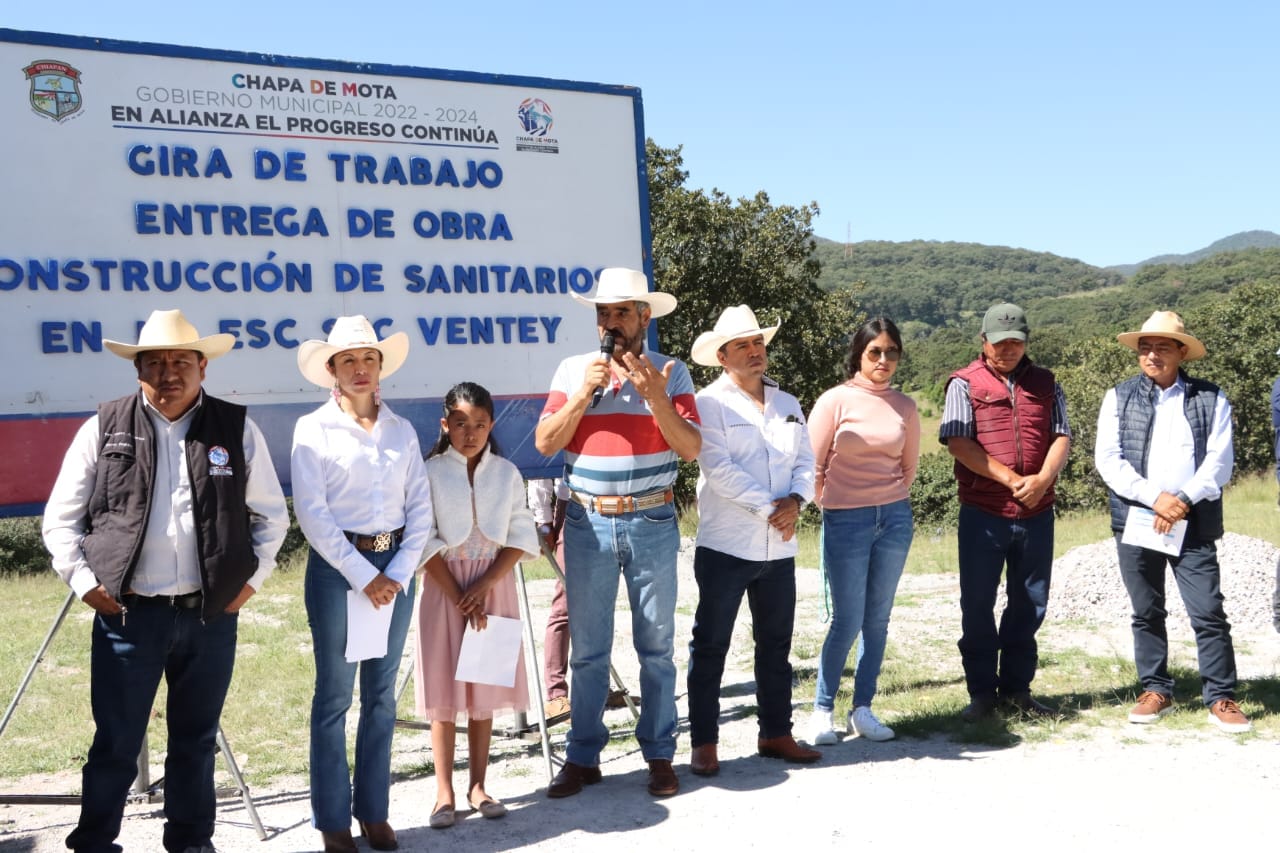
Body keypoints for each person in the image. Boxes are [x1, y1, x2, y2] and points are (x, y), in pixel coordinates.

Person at [42, 308, 289, 853]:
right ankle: (94, 843)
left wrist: (250, 585)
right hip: (128, 616)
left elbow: (271, 517)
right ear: (138, 371)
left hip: (209, 616)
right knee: (115, 742)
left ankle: (191, 842)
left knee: (195, 742)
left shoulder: (235, 429)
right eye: (155, 362)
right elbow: (61, 520)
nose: (169, 372)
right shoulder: (104, 427)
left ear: (204, 366)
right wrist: (85, 584)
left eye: (182, 361)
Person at [534, 267, 700, 799]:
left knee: (656, 646)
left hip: (652, 520)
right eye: (604, 313)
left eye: (622, 312)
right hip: (586, 522)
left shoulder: (671, 373)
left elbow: (691, 448)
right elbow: (544, 443)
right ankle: (583, 757)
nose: (611, 323)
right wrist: (584, 393)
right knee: (588, 649)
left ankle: (659, 753)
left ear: (644, 318)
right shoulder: (572, 369)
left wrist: (654, 395)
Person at [290, 316, 433, 853]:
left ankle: (374, 811)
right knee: (333, 697)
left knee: (381, 697)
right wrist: (363, 575)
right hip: (338, 570)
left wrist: (395, 574)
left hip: (394, 570)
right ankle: (332, 820)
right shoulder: (313, 429)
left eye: (368, 359)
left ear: (380, 368)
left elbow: (419, 505)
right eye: (348, 360)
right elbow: (313, 513)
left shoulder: (401, 431)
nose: (359, 369)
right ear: (331, 369)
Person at [1094, 310, 1251, 733]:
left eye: (1162, 346)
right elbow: (1108, 461)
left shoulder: (1211, 397)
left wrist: (1181, 499)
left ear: (1182, 352)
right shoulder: (1118, 396)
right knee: (1146, 610)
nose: (1151, 354)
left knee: (1208, 611)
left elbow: (1220, 462)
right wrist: (1155, 499)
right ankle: (1156, 690)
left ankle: (1221, 696)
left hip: (1193, 520)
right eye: (1145, 346)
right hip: (1137, 518)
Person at [684, 305, 819, 776]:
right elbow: (718, 470)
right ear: (722, 356)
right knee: (711, 645)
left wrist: (798, 501)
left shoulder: (788, 403)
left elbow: (806, 460)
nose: (755, 351)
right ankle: (704, 742)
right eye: (743, 345)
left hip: (779, 547)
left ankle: (775, 733)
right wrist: (773, 509)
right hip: (726, 545)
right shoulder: (708, 404)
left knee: (776, 644)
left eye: (758, 342)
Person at [414, 382, 540, 829]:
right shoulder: (428, 472)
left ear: (492, 425)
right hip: (444, 589)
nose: (471, 433)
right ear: (445, 424)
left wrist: (484, 585)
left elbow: (521, 533)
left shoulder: (506, 473)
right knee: (445, 695)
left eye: (480, 424)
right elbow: (422, 537)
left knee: (483, 689)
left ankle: (478, 785)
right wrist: (458, 595)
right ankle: (444, 790)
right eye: (461, 424)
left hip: (493, 589)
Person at [939, 303, 1070, 721]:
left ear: (1026, 341)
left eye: (1015, 342)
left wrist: (1043, 480)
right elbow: (959, 442)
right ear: (984, 341)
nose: (1008, 349)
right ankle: (981, 695)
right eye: (1000, 342)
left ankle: (1017, 691)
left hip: (1038, 512)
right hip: (984, 511)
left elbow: (1061, 435)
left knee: (1030, 602)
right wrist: (1012, 481)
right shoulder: (963, 383)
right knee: (977, 603)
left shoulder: (1047, 383)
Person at [807, 317, 920, 744]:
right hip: (845, 519)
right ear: (859, 354)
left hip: (893, 518)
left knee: (878, 620)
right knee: (846, 619)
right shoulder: (835, 401)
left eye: (892, 352)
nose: (884, 360)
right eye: (876, 352)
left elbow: (908, 469)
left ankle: (863, 709)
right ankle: (822, 710)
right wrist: (834, 504)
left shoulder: (905, 406)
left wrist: (884, 500)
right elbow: (813, 465)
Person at [527, 476, 573, 722]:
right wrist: (544, 521)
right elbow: (541, 465)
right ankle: (556, 697)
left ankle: (599, 688)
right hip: (571, 503)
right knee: (564, 603)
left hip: (608, 500)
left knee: (599, 604)